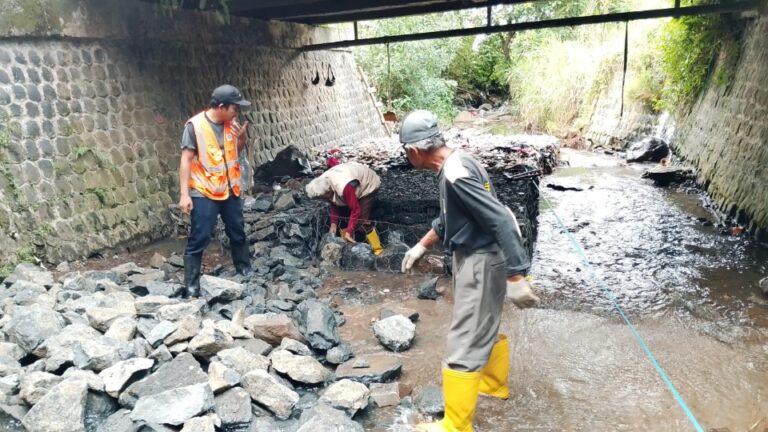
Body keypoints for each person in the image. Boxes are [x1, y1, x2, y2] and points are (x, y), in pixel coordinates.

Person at [398, 110, 540, 432]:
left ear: (415, 150)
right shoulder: (459, 162)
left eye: (405, 152)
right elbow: (452, 217)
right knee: (484, 325)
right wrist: (422, 245)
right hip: (480, 257)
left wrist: (516, 275)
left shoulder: (455, 174)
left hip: (481, 260)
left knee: (465, 337)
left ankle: (455, 426)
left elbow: (500, 219)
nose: (406, 157)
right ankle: (492, 385)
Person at [178, 84, 253, 298]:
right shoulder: (195, 126)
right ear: (221, 106)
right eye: (234, 108)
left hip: (230, 189)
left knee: (237, 229)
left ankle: (244, 268)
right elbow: (186, 159)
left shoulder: (232, 124)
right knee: (200, 236)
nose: (236, 112)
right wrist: (184, 194)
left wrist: (241, 138)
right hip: (205, 190)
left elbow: (235, 152)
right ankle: (191, 285)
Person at [305, 162, 384, 255]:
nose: (324, 200)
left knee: (361, 221)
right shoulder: (321, 183)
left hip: (368, 183)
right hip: (348, 182)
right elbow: (333, 203)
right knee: (344, 219)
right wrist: (333, 224)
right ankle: (347, 248)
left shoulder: (345, 187)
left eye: (324, 197)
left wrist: (349, 231)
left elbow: (356, 209)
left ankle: (378, 250)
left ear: (329, 191)